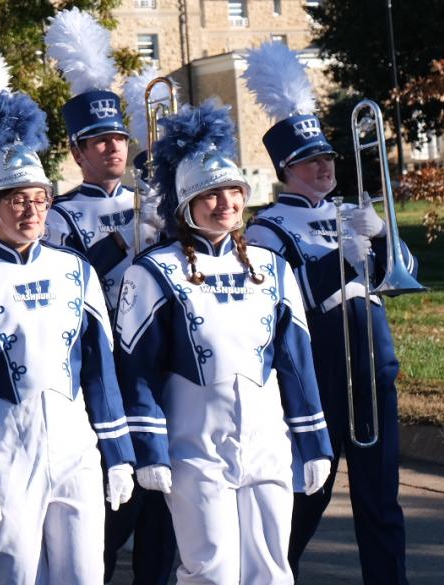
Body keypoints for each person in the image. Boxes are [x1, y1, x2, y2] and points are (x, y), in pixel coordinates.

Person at [115, 99, 333, 585]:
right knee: (210, 569)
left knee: (272, 570)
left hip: (267, 445)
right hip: (194, 449)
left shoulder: (271, 267)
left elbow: (296, 361)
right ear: (186, 205)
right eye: (211, 195)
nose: (225, 204)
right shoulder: (154, 272)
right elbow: (137, 371)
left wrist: (313, 441)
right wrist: (149, 449)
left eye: (233, 192)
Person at [0, 90, 135, 585]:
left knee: (85, 574)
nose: (31, 210)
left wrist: (119, 454)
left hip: (75, 444)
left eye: (39, 198)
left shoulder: (76, 270)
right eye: (16, 200)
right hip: (4, 443)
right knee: (15, 571)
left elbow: (99, 371)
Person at [242, 40, 414, 585]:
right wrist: (342, 260)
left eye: (327, 158)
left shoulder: (351, 209)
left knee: (381, 494)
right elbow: (287, 300)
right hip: (319, 369)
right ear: (286, 169)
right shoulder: (267, 227)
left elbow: (400, 276)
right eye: (311, 161)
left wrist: (382, 237)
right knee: (309, 489)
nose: (324, 167)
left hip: (372, 361)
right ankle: (271, 573)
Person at [41, 9, 175, 585]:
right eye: (98, 142)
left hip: (163, 347)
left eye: (118, 138)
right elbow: (68, 284)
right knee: (112, 505)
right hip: (109, 353)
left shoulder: (154, 191)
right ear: (77, 152)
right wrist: (125, 240)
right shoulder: (60, 213)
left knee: (164, 510)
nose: (113, 149)